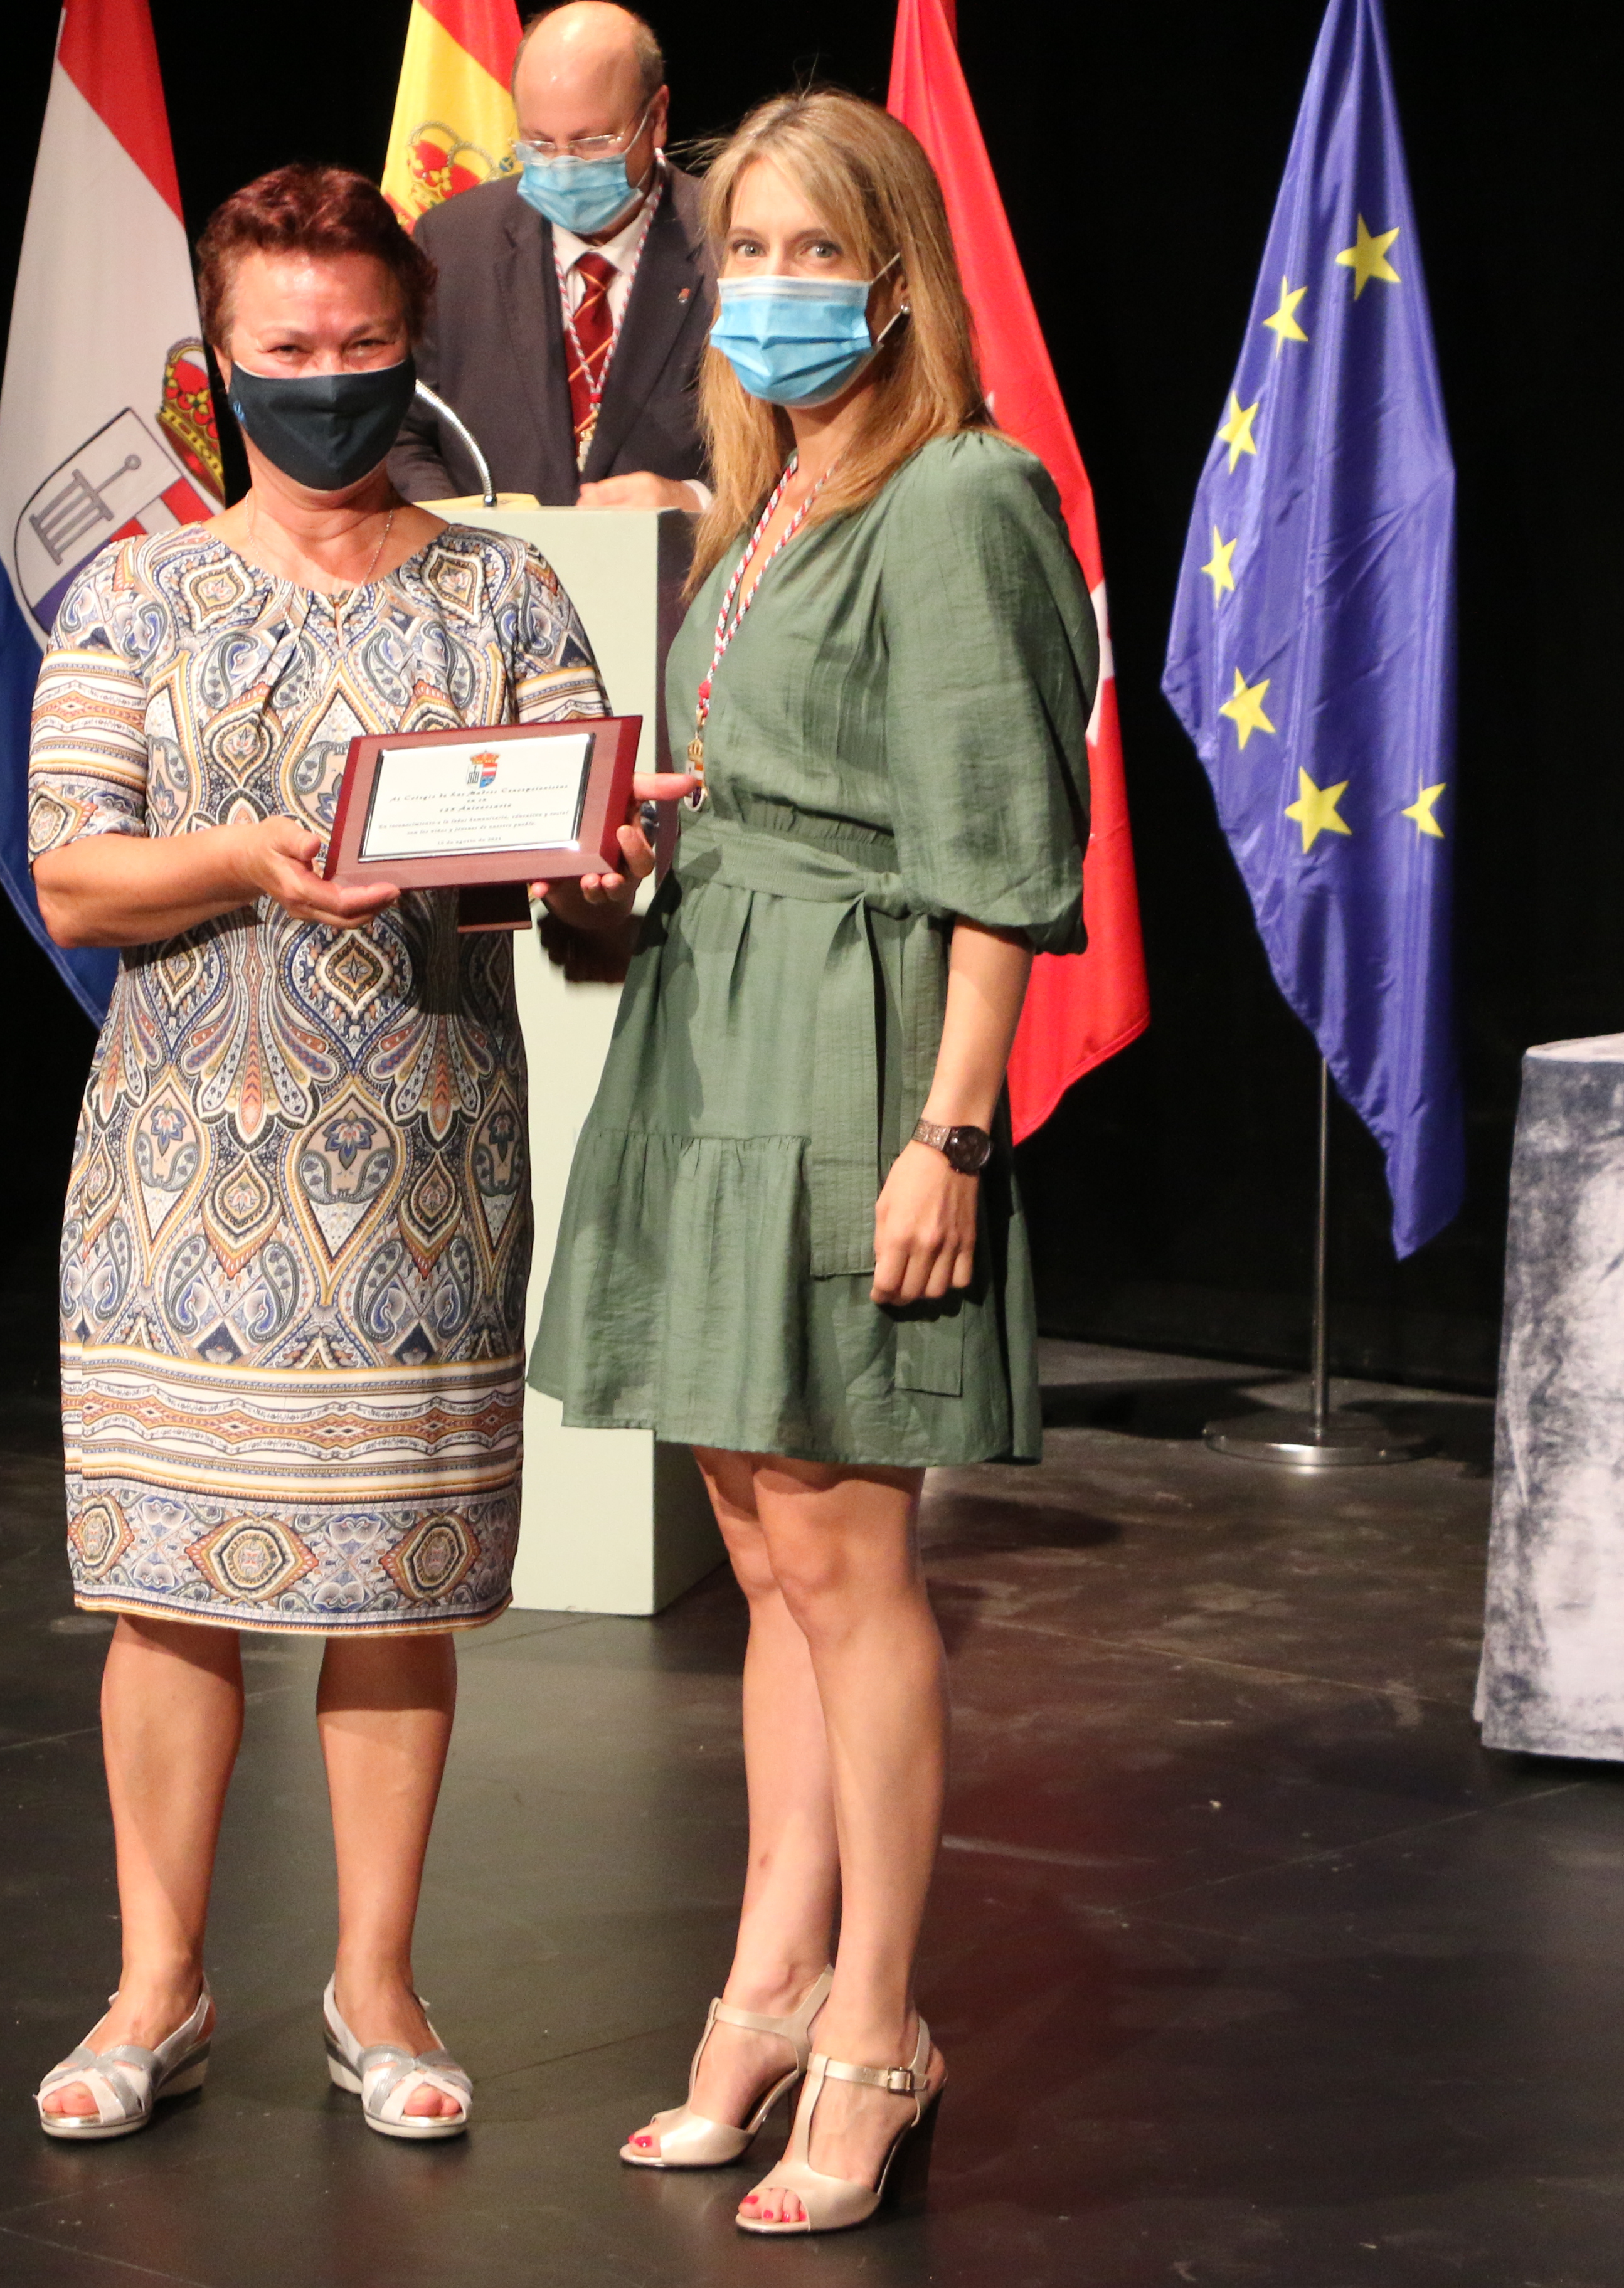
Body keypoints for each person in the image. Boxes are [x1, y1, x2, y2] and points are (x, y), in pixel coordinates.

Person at [23, 162, 637, 2146]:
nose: (328, 381)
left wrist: (614, 865)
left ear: (416, 350)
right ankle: (157, 1986)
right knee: (173, 1587)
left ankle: (375, 1986)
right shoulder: (138, 586)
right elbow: (74, 873)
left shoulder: (507, 590)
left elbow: (584, 901)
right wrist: (239, 858)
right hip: (183, 1182)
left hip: (426, 1177)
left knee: (391, 1593)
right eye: (288, 352)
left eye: (364, 349)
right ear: (219, 365)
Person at [531, 89, 1096, 2233]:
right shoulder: (769, 496)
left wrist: (952, 1126)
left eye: (808, 252)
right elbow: (769, 775)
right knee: (763, 1549)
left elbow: (995, 851)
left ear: (893, 272)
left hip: (858, 1049)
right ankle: (766, 1978)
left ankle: (875, 2021)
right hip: (710, 1022)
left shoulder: (960, 493)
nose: (771, 290)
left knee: (853, 1570)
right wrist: (629, 847)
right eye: (741, 251)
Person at [386, 2, 714, 515]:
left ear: (657, 118)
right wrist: (459, 534)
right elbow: (402, 431)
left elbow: (795, 444)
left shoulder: (731, 240)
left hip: (675, 583)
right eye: (539, 144)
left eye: (591, 143)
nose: (562, 167)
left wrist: (693, 500)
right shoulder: (452, 243)